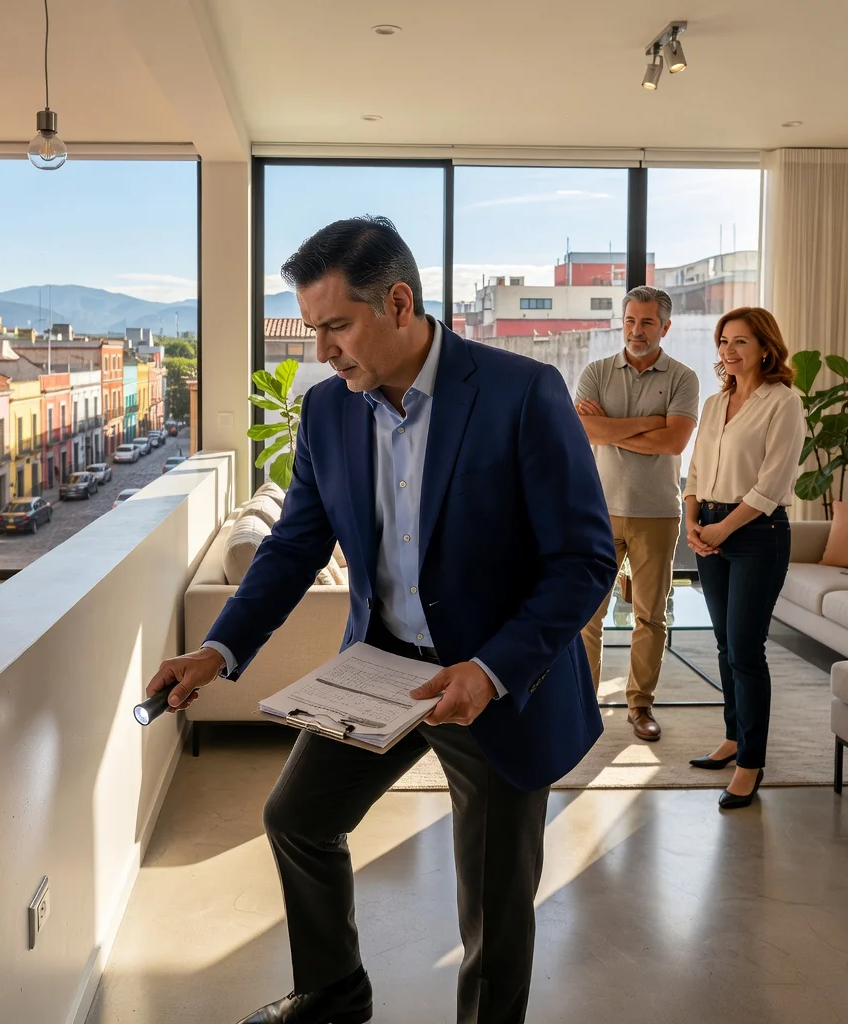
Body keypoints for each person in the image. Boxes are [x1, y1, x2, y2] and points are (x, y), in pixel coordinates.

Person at [145, 216, 616, 1024]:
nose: (321, 351)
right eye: (313, 328)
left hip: (491, 686)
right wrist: (219, 649)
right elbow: (293, 548)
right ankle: (334, 994)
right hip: (377, 668)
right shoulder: (327, 411)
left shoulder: (519, 393)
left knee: (494, 911)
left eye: (335, 326)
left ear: (398, 302)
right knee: (296, 819)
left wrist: (491, 669)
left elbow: (583, 560)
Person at [684, 307, 805, 810]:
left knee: (745, 649)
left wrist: (721, 528)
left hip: (757, 534)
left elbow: (772, 484)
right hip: (708, 527)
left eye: (740, 342)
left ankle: (751, 762)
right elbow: (694, 470)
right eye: (724, 341)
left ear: (764, 347)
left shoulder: (784, 402)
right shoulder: (715, 404)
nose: (729, 351)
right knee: (722, 643)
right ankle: (733, 738)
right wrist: (692, 522)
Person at [575, 286, 699, 741]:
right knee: (588, 612)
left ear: (664, 327)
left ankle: (640, 705)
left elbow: (674, 442)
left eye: (647, 322)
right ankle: (583, 702)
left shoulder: (683, 377)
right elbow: (585, 428)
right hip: (599, 509)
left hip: (657, 512)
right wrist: (650, 421)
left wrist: (611, 429)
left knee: (650, 615)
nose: (636, 330)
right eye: (630, 320)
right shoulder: (597, 372)